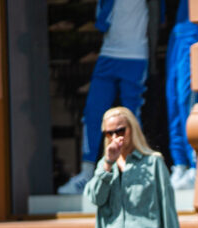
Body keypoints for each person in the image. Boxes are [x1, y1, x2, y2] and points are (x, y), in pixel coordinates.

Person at [59, 0, 157, 194]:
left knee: (132, 117)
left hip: (135, 54)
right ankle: (86, 172)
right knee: (93, 113)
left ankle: (139, 169)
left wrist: (152, 58)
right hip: (108, 53)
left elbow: (155, 15)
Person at [165, 0, 198, 190]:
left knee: (186, 100)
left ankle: (195, 166)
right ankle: (179, 164)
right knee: (172, 100)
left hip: (194, 28)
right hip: (178, 33)